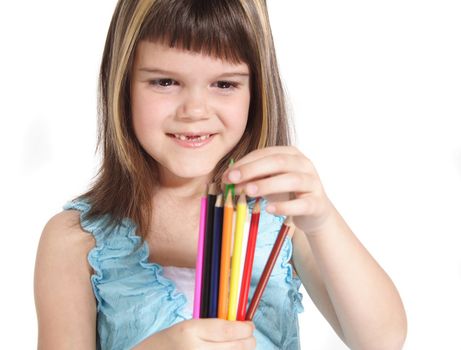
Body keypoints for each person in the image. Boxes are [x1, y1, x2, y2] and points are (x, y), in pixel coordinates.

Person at [34, 0, 407, 349]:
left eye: (224, 84)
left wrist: (322, 221)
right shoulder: (75, 239)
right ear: (122, 86)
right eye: (165, 81)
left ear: (255, 91)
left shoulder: (281, 215)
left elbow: (381, 340)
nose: (195, 110)